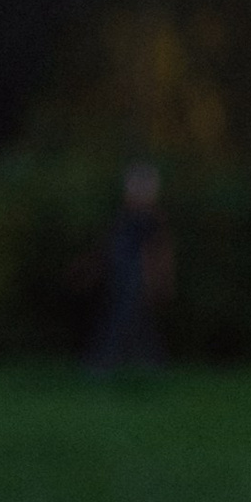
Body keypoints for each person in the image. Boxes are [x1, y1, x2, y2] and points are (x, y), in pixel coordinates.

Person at [88, 159, 172, 373]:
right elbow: (109, 245)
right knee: (132, 319)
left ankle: (107, 362)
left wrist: (156, 277)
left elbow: (158, 251)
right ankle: (147, 363)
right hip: (121, 275)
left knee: (126, 319)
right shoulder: (125, 216)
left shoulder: (150, 219)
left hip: (136, 277)